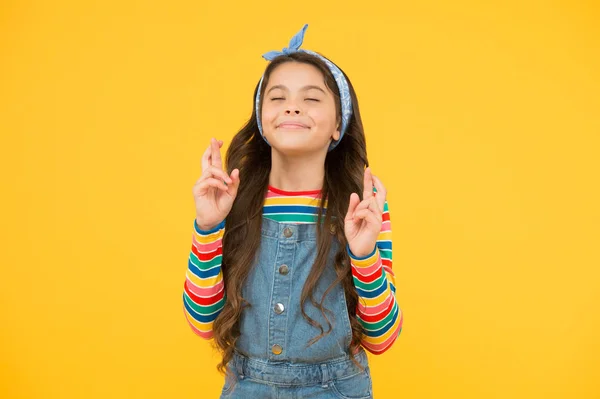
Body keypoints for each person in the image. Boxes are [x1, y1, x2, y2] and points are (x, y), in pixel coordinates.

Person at [183, 24, 403, 399]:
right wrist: (207, 226)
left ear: (338, 125)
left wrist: (363, 254)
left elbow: (382, 338)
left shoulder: (361, 209)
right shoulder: (233, 202)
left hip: (337, 389)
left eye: (312, 98)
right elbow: (203, 322)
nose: (293, 106)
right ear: (262, 120)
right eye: (277, 96)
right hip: (247, 386)